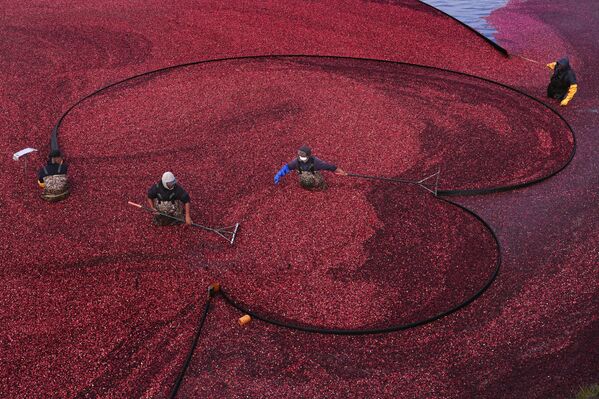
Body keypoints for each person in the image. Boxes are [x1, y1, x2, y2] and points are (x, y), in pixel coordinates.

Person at [274, 145, 347, 190]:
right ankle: (306, 185)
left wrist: (340, 171)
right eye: (300, 156)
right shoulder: (296, 161)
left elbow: (329, 167)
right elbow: (287, 167)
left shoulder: (316, 162)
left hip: (313, 176)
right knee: (305, 179)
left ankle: (318, 187)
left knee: (316, 182)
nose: (301, 158)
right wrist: (279, 174)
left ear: (308, 156)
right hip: (303, 177)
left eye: (304, 157)